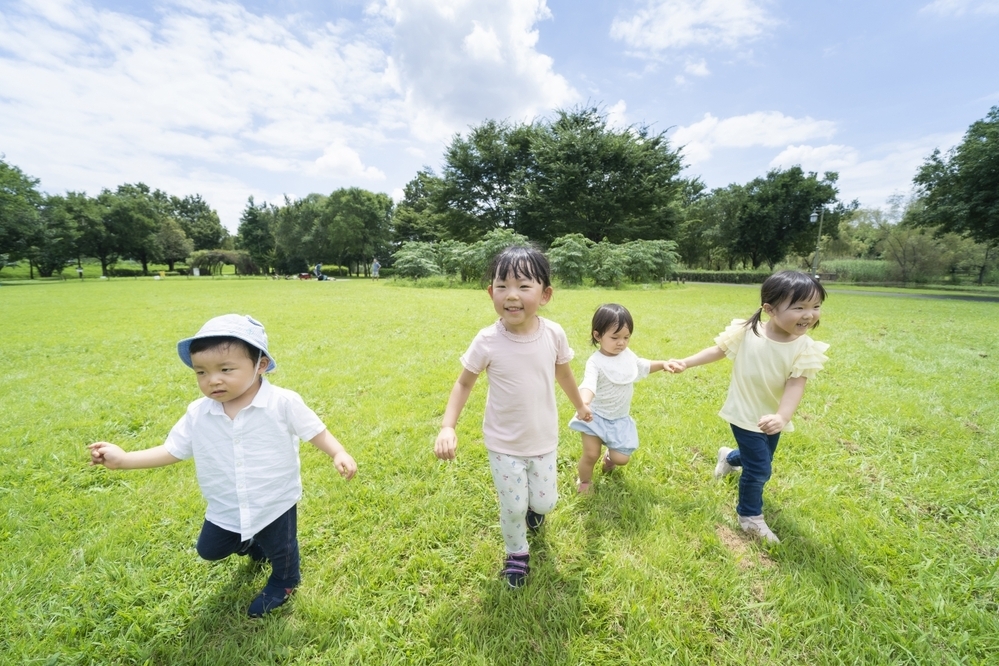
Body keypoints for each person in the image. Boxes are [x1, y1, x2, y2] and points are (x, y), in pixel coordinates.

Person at [88, 314, 357, 617]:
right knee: (209, 549)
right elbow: (173, 450)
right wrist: (124, 459)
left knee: (281, 548)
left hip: (274, 499)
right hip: (226, 503)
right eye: (201, 372)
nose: (212, 380)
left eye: (226, 369)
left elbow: (314, 431)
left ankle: (285, 579)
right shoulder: (198, 413)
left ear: (260, 365)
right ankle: (251, 542)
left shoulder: (282, 402)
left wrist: (338, 452)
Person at [434, 245, 592, 588]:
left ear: (545, 294)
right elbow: (464, 383)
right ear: (491, 292)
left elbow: (564, 374)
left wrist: (580, 405)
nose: (512, 295)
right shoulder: (487, 340)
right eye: (502, 286)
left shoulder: (554, 334)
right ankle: (516, 553)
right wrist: (448, 426)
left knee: (545, 502)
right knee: (514, 507)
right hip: (503, 443)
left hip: (543, 439)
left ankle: (536, 512)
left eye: (524, 286)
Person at [667, 271, 829, 544]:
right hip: (743, 412)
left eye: (815, 307)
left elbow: (795, 386)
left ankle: (729, 458)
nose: (809, 314)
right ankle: (749, 517)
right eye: (799, 307)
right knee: (760, 469)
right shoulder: (748, 331)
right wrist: (686, 362)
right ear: (770, 309)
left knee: (760, 458)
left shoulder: (805, 347)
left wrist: (781, 416)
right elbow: (717, 350)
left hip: (771, 417)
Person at [570, 304, 672, 494]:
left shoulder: (627, 355)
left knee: (621, 459)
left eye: (626, 337)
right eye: (615, 337)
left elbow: (642, 365)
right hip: (595, 417)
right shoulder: (595, 362)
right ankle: (585, 482)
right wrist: (584, 404)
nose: (621, 343)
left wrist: (663, 364)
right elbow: (588, 384)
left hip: (618, 419)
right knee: (591, 454)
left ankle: (609, 457)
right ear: (597, 335)